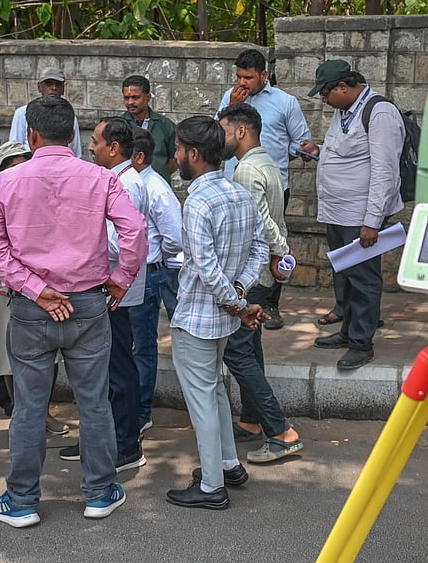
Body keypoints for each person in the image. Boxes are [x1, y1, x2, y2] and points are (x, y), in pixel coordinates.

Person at [0, 95, 146, 529]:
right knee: (94, 401)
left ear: (31, 135)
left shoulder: (5, 182)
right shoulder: (100, 178)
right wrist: (121, 279)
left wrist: (34, 287)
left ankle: (22, 498)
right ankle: (100, 490)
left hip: (33, 307)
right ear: (73, 134)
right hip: (89, 302)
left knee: (30, 406)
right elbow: (135, 229)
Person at [166, 116, 268, 510]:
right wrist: (240, 292)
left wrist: (237, 302)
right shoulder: (238, 193)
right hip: (222, 316)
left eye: (177, 150)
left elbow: (206, 268)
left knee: (204, 399)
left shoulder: (198, 200)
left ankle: (212, 486)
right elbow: (259, 249)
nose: (175, 157)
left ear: (193, 153)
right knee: (215, 390)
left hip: (198, 316)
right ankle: (227, 464)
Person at [57, 118, 149, 472]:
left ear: (114, 148)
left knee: (118, 370)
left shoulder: (126, 184)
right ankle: (103, 440)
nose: (90, 148)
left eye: (95, 142)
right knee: (103, 370)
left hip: (115, 289)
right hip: (109, 286)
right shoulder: (115, 180)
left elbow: (122, 238)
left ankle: (125, 445)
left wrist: (80, 233)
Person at [218, 102, 304, 463]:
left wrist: (279, 253)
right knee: (250, 347)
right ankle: (252, 420)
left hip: (254, 274)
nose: (220, 138)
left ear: (240, 131)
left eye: (224, 130)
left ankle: (280, 430)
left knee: (237, 351)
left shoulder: (247, 170)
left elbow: (261, 221)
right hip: (266, 271)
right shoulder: (265, 161)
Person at [310, 60, 405, 370]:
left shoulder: (379, 113)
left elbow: (384, 170)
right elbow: (347, 153)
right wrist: (319, 151)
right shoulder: (344, 112)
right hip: (338, 212)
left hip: (361, 216)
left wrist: (372, 222)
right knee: (346, 276)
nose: (324, 100)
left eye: (325, 93)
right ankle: (349, 332)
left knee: (363, 278)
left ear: (343, 87)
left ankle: (362, 343)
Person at [217, 49, 320, 329]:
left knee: (271, 239)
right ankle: (237, 296)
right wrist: (230, 105)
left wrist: (279, 160)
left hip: (271, 183)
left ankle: (270, 303)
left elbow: (301, 143)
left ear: (263, 75)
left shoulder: (285, 103)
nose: (242, 83)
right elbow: (219, 136)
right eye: (239, 76)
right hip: (233, 182)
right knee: (237, 241)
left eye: (248, 77)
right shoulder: (230, 97)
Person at [0, 140, 70, 436]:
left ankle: (41, 413)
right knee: (8, 357)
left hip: (43, 291)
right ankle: (23, 416)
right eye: (12, 167)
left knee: (47, 353)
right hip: (3, 289)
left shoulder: (46, 194)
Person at [128, 128, 184, 434]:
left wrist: (152, 257)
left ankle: (141, 412)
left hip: (148, 274)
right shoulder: (132, 183)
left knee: (142, 346)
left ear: (138, 156)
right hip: (131, 274)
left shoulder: (156, 189)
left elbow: (174, 239)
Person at [8, 67, 83, 157]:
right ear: (39, 87)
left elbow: (75, 152)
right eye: (49, 84)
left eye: (58, 84)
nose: (54, 88)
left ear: (63, 89)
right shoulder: (22, 113)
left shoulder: (70, 117)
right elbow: (14, 149)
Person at [119, 74, 177, 184]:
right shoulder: (118, 126)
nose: (130, 102)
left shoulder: (165, 126)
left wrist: (154, 175)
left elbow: (173, 161)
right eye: (126, 98)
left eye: (135, 97)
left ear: (148, 97)